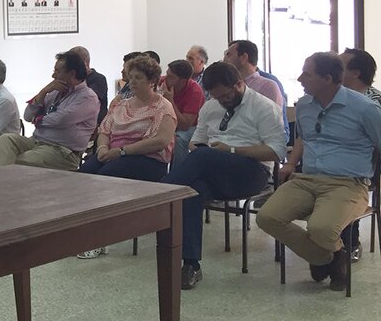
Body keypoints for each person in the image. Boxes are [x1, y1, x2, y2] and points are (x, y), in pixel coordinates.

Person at [257, 53, 381, 291]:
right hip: (306, 179)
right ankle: (329, 258)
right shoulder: (305, 105)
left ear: (328, 79)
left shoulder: (365, 108)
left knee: (321, 228)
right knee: (267, 217)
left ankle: (325, 257)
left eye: (307, 74)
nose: (300, 78)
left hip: (348, 183)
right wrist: (291, 163)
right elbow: (305, 137)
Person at [161, 62, 286, 290]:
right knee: (192, 192)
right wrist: (207, 150)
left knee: (202, 156)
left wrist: (231, 150)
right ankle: (191, 265)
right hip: (214, 168)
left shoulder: (264, 107)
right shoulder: (211, 107)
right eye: (217, 97)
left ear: (238, 84)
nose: (222, 101)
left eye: (225, 96)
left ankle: (159, 196)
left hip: (252, 171)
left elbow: (277, 151)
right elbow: (195, 142)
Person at [0, 51, 99, 171]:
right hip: (36, 141)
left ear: (72, 73)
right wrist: (43, 92)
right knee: (6, 139)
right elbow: (27, 115)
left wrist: (37, 119)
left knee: (13, 162)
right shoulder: (54, 91)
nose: (53, 76)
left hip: (62, 151)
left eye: (57, 71)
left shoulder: (87, 97)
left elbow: (60, 120)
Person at [82, 55, 176, 181]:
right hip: (114, 153)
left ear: (152, 81)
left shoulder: (163, 107)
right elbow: (105, 131)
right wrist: (102, 148)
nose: (132, 81)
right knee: (83, 174)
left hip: (145, 158)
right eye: (131, 77)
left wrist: (122, 151)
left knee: (105, 176)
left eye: (138, 78)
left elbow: (161, 141)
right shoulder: (121, 104)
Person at [338, 47, 381, 261]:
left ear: (355, 73)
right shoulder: (331, 96)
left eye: (340, 66)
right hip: (334, 160)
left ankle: (349, 242)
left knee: (343, 179)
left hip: (365, 164)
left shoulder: (374, 102)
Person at [161, 60, 205, 169]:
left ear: (182, 81)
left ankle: (178, 173)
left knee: (179, 140)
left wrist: (170, 101)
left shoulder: (195, 91)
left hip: (190, 127)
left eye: (171, 77)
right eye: (167, 74)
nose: (166, 79)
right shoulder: (162, 82)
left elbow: (185, 125)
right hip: (166, 122)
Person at [70, 45, 108, 125]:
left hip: (93, 125)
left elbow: (85, 101)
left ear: (84, 61)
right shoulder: (70, 78)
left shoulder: (99, 79)